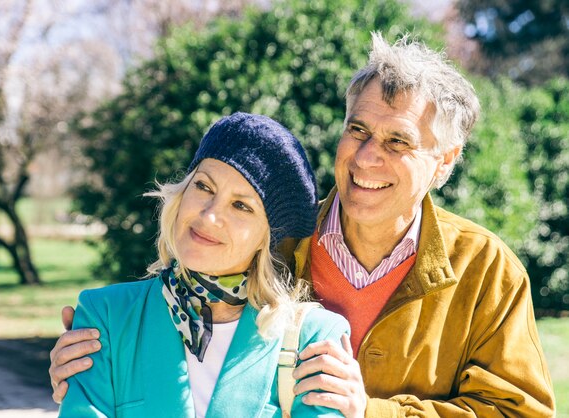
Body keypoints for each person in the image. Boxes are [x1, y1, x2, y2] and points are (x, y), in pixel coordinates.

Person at [50, 33, 555, 417]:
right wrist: (93, 366)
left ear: (446, 161)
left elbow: (518, 412)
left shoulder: (488, 270)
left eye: (397, 142)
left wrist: (371, 411)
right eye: (357, 129)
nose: (366, 158)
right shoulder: (276, 237)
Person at [56, 112, 356, 418]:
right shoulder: (107, 316)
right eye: (204, 187)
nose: (209, 215)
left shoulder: (314, 339)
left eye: (241, 205)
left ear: (265, 239)